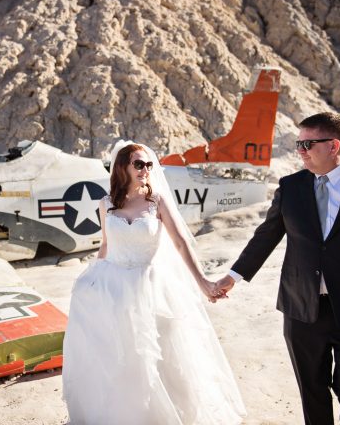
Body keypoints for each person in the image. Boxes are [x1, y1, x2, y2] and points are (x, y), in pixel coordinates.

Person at [213, 112, 340, 425]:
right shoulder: (290, 187)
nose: (300, 150)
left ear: (333, 146)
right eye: (298, 144)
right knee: (312, 391)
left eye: (308, 143)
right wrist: (232, 277)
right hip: (302, 308)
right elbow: (265, 236)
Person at [62, 141, 246, 425]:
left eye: (148, 164)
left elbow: (181, 244)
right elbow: (107, 245)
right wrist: (92, 277)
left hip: (151, 288)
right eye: (139, 164)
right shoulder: (106, 204)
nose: (146, 169)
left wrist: (203, 283)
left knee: (160, 357)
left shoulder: (156, 201)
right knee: (120, 358)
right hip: (114, 288)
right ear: (123, 167)